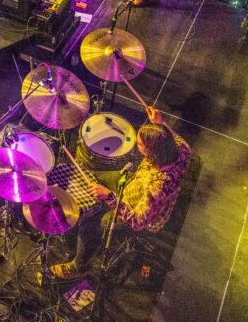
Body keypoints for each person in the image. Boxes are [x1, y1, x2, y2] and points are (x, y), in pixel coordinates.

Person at [50, 107, 192, 279]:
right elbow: (170, 137)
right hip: (132, 184)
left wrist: (109, 196)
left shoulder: (157, 187)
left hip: (136, 210)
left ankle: (79, 267)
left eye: (140, 144)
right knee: (91, 178)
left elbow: (138, 221)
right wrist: (159, 124)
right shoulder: (182, 150)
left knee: (94, 224)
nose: (135, 144)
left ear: (152, 153)